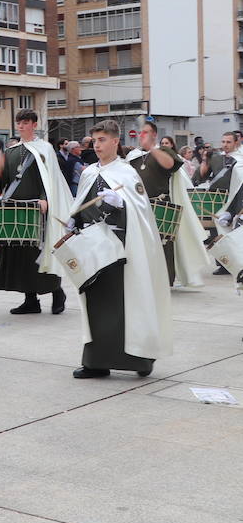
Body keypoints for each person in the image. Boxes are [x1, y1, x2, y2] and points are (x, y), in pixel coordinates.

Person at [67, 120, 171, 379]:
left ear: (115, 141)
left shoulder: (127, 172)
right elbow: (81, 204)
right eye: (94, 141)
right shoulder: (90, 171)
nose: (97, 145)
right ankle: (96, 362)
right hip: (93, 246)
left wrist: (121, 204)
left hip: (121, 247)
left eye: (102, 140)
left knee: (127, 304)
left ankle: (140, 359)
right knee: (94, 303)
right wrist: (73, 218)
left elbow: (141, 214)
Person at [0, 110, 72, 315]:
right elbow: (5, 184)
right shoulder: (11, 151)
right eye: (19, 123)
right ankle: (30, 300)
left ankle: (57, 292)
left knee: (40, 253)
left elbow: (50, 178)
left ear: (34, 125)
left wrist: (45, 198)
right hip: (16, 210)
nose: (21, 126)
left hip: (38, 208)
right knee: (20, 255)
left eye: (25, 123)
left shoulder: (45, 148)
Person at [128, 119, 210, 287]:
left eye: (146, 132)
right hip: (139, 206)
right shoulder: (133, 156)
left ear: (154, 135)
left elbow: (170, 164)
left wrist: (151, 148)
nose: (142, 136)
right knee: (142, 245)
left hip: (161, 205)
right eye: (141, 133)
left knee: (163, 244)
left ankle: (164, 281)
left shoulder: (164, 151)